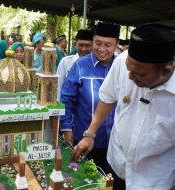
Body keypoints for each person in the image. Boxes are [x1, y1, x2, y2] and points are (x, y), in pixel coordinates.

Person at [72, 24, 175, 189]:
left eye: (139, 74)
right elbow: (107, 97)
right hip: (117, 166)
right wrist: (90, 134)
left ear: (166, 70)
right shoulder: (121, 60)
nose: (130, 75)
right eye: (129, 66)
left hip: (154, 181)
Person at [60, 22, 120, 173]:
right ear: (93, 40)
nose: (101, 49)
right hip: (85, 141)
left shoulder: (122, 67)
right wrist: (66, 128)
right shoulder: (80, 66)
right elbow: (66, 100)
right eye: (98, 43)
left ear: (116, 45)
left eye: (108, 45)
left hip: (116, 144)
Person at [56, 29, 94, 100]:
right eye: (81, 45)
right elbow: (58, 86)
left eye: (87, 45)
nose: (83, 49)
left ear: (93, 46)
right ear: (76, 45)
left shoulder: (97, 65)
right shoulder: (66, 62)